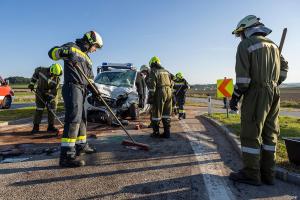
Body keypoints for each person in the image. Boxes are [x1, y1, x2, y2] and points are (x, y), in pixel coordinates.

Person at [229, 15, 288, 185]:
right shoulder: (274, 46)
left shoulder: (245, 45)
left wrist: (235, 96)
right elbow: (284, 69)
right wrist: (274, 82)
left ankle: (251, 174)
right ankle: (268, 174)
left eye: (240, 33)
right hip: (274, 93)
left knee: (251, 133)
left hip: (256, 93)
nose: (240, 37)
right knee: (270, 135)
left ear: (246, 29)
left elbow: (243, 80)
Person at [48, 31, 103, 167]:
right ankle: (67, 155)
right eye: (95, 46)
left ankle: (81, 145)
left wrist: (95, 91)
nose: (95, 50)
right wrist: (62, 51)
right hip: (72, 87)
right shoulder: (72, 47)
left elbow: (89, 78)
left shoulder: (88, 58)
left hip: (83, 89)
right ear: (90, 42)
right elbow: (52, 53)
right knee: (73, 119)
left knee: (82, 118)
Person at [28, 63, 63, 134]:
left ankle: (50, 126)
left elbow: (54, 91)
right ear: (51, 70)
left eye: (56, 75)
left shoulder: (57, 79)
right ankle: (36, 127)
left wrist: (49, 100)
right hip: (40, 92)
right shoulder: (41, 70)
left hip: (51, 94)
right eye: (54, 75)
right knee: (39, 109)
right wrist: (32, 83)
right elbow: (35, 75)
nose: (55, 76)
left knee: (52, 109)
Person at [148, 56, 173, 138]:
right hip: (169, 91)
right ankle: (167, 133)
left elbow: (152, 86)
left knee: (156, 112)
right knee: (167, 112)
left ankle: (156, 133)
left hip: (160, 91)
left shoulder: (154, 71)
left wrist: (151, 97)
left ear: (152, 63)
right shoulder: (167, 71)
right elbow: (172, 82)